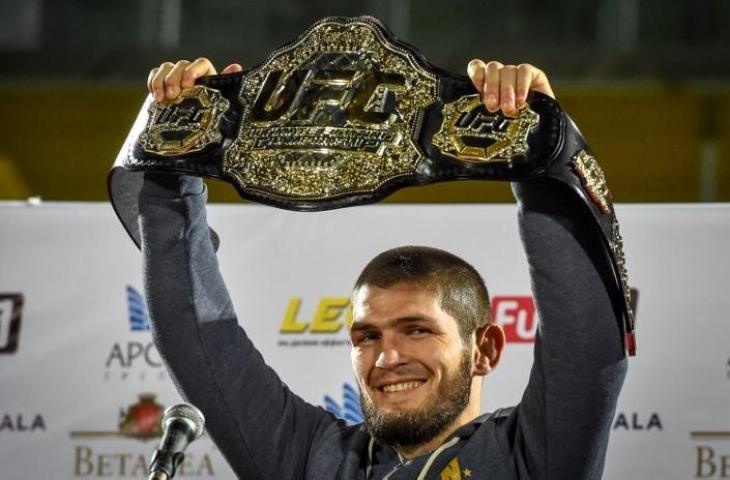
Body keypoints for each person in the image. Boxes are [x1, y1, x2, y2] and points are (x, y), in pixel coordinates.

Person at [139, 57, 626, 479]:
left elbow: (585, 338)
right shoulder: (312, 460)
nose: (387, 358)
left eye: (416, 330)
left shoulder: (530, 460)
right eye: (367, 336)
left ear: (484, 349)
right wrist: (178, 148)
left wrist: (541, 151)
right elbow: (195, 334)